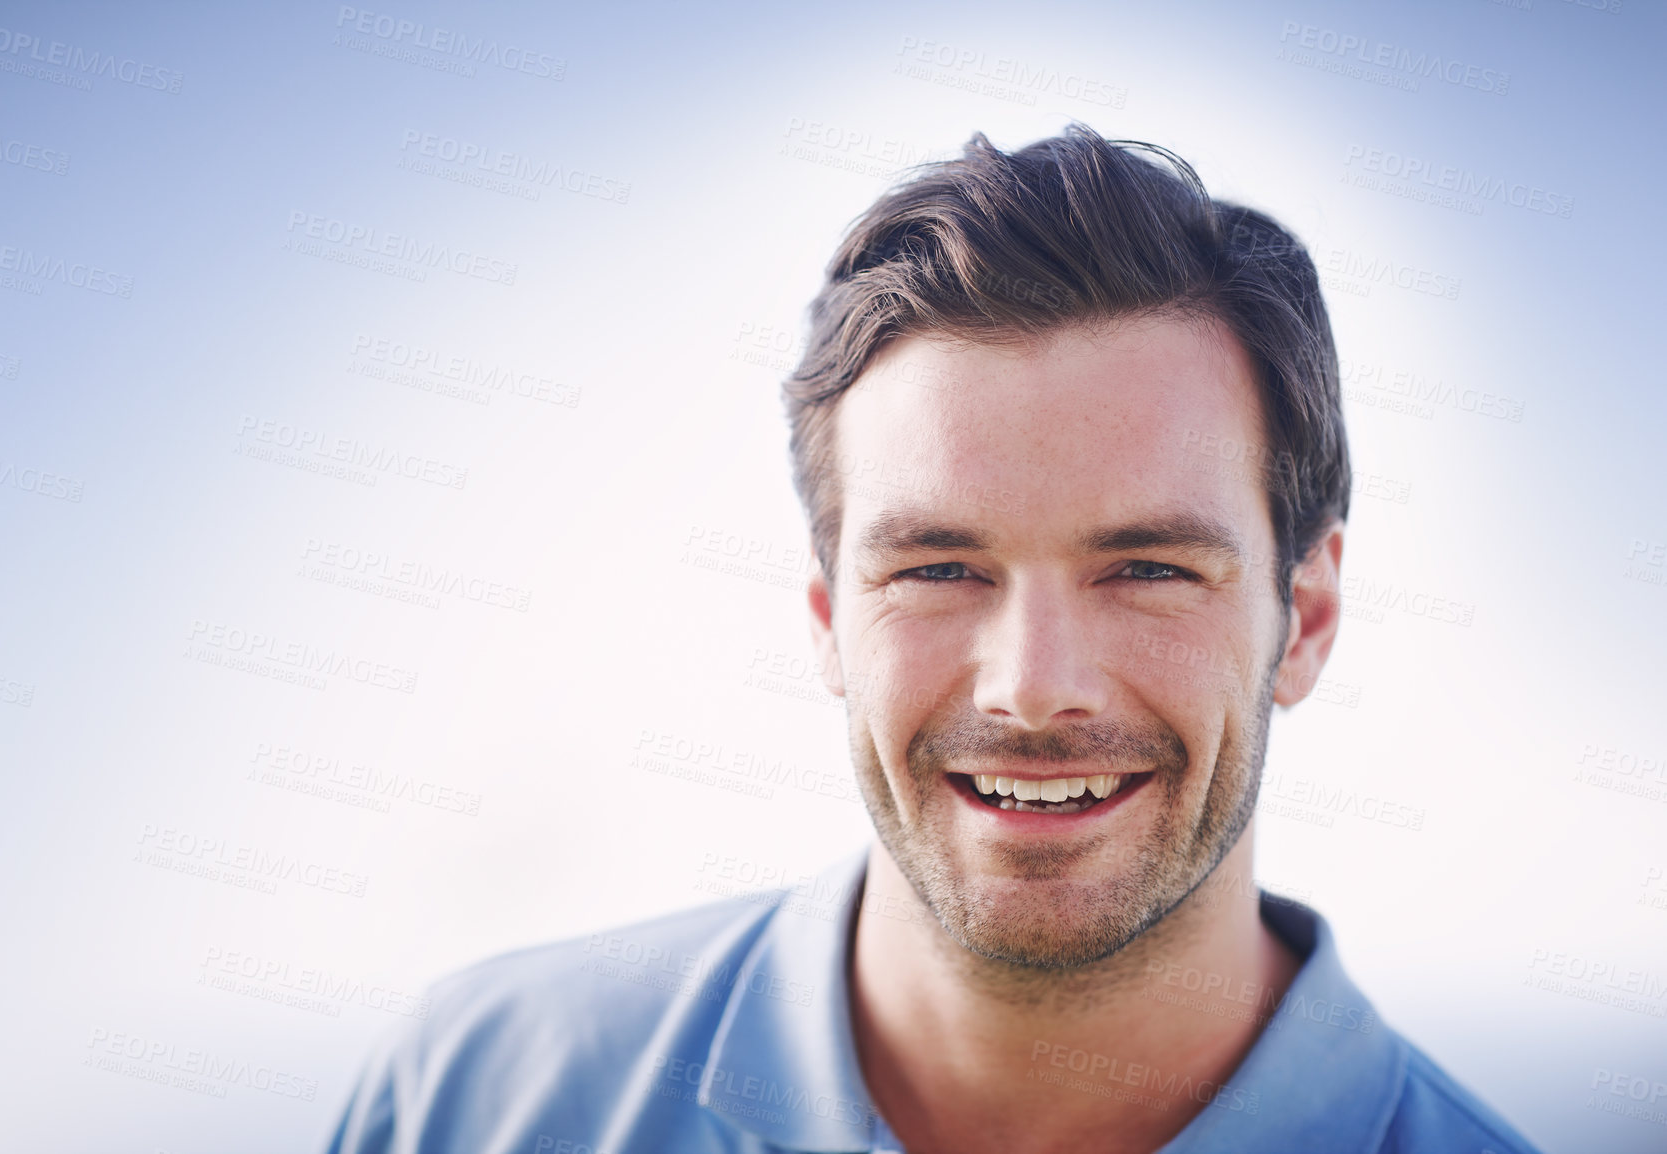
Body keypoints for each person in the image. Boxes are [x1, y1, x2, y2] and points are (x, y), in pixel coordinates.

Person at [324, 124, 1542, 1154]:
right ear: (827, 618)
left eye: (1150, 567)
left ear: (1305, 617)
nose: (1032, 686)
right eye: (939, 567)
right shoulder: (472, 1101)